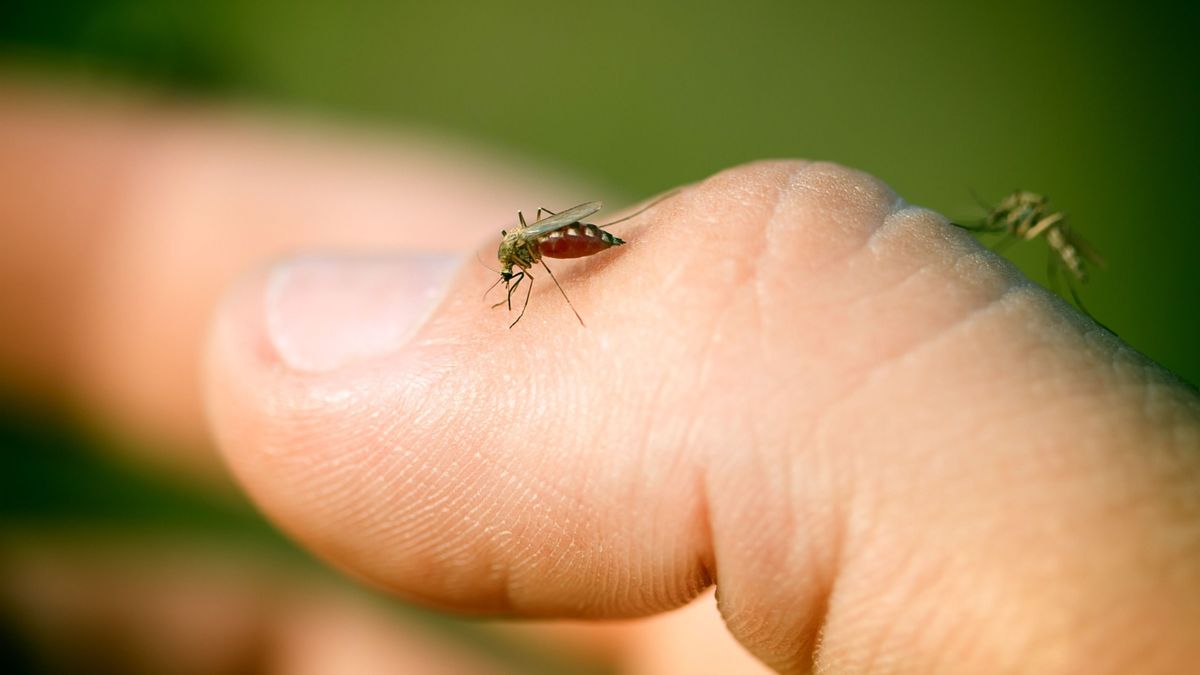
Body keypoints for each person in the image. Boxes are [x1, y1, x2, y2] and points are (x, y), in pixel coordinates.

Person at [3, 85, 1198, 674]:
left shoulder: (541, 253)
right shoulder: (522, 252)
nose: (519, 258)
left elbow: (544, 249)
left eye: (520, 254)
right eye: (520, 257)